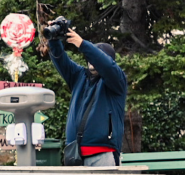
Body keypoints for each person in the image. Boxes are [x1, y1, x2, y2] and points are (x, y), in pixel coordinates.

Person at [48, 23, 127, 166]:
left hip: (102, 153)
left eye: (96, 56)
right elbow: (60, 60)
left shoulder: (116, 80)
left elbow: (107, 66)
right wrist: (53, 39)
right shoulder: (79, 76)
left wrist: (83, 44)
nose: (92, 60)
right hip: (75, 153)